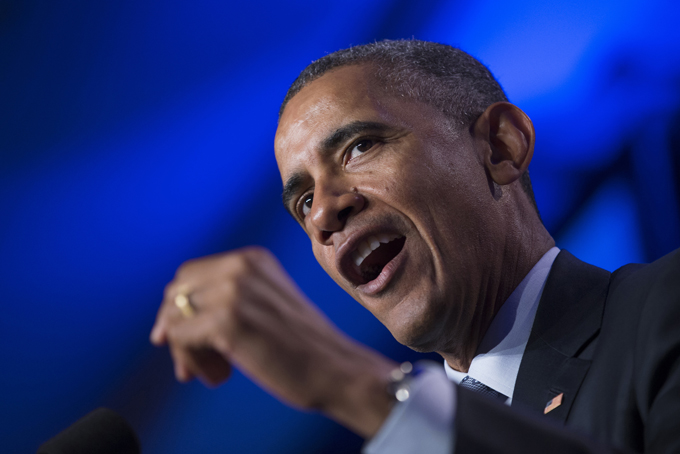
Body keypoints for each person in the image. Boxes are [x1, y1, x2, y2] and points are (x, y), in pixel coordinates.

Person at [150, 40, 680, 453]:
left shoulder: (664, 310)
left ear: (501, 147)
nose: (325, 214)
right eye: (304, 201)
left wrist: (349, 383)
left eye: (360, 147)